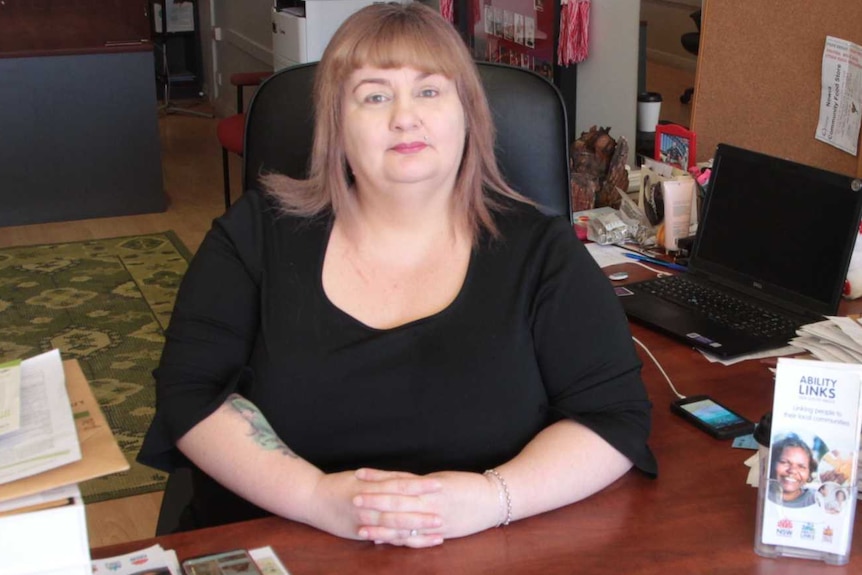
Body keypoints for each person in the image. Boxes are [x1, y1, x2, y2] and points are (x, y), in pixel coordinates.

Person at [138, 3, 656, 548]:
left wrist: (491, 498)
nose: (404, 116)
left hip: (485, 547)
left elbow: (612, 417)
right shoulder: (256, 233)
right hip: (282, 543)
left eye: (430, 91)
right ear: (336, 127)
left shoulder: (543, 253)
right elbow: (191, 390)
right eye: (375, 95)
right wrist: (316, 497)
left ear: (469, 115)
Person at [768, 435, 818, 508]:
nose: (792, 471)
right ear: (772, 463)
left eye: (801, 467)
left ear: (809, 473)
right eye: (785, 462)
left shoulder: (816, 499)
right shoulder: (761, 494)